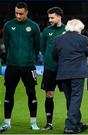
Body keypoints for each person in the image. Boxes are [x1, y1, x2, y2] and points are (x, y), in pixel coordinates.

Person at [0, 2, 40, 132]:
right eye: (16, 13)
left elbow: (37, 46)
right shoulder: (8, 25)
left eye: (21, 13)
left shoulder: (34, 26)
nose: (18, 16)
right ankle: (7, 123)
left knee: (31, 93)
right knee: (9, 93)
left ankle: (33, 122)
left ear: (27, 12)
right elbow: (6, 43)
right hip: (12, 66)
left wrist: (29, 58)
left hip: (29, 67)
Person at [52, 19, 88, 134]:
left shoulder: (58, 39)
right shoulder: (83, 39)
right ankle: (70, 126)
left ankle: (76, 123)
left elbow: (54, 57)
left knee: (70, 99)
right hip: (77, 73)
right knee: (75, 99)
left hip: (63, 73)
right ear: (78, 29)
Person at [40, 6, 65, 130]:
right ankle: (49, 123)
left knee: (69, 95)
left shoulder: (67, 30)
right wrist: (50, 59)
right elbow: (43, 48)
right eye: (49, 17)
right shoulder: (46, 31)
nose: (49, 19)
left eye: (52, 17)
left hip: (65, 70)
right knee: (49, 94)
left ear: (59, 17)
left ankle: (71, 120)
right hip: (50, 69)